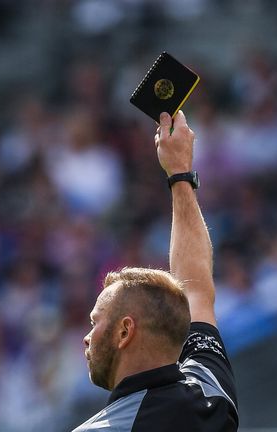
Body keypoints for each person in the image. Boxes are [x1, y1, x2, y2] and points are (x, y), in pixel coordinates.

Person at [73, 111, 239, 431]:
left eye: (95, 322)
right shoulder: (210, 393)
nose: (87, 336)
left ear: (125, 331)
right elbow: (197, 290)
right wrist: (180, 172)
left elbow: (195, 292)